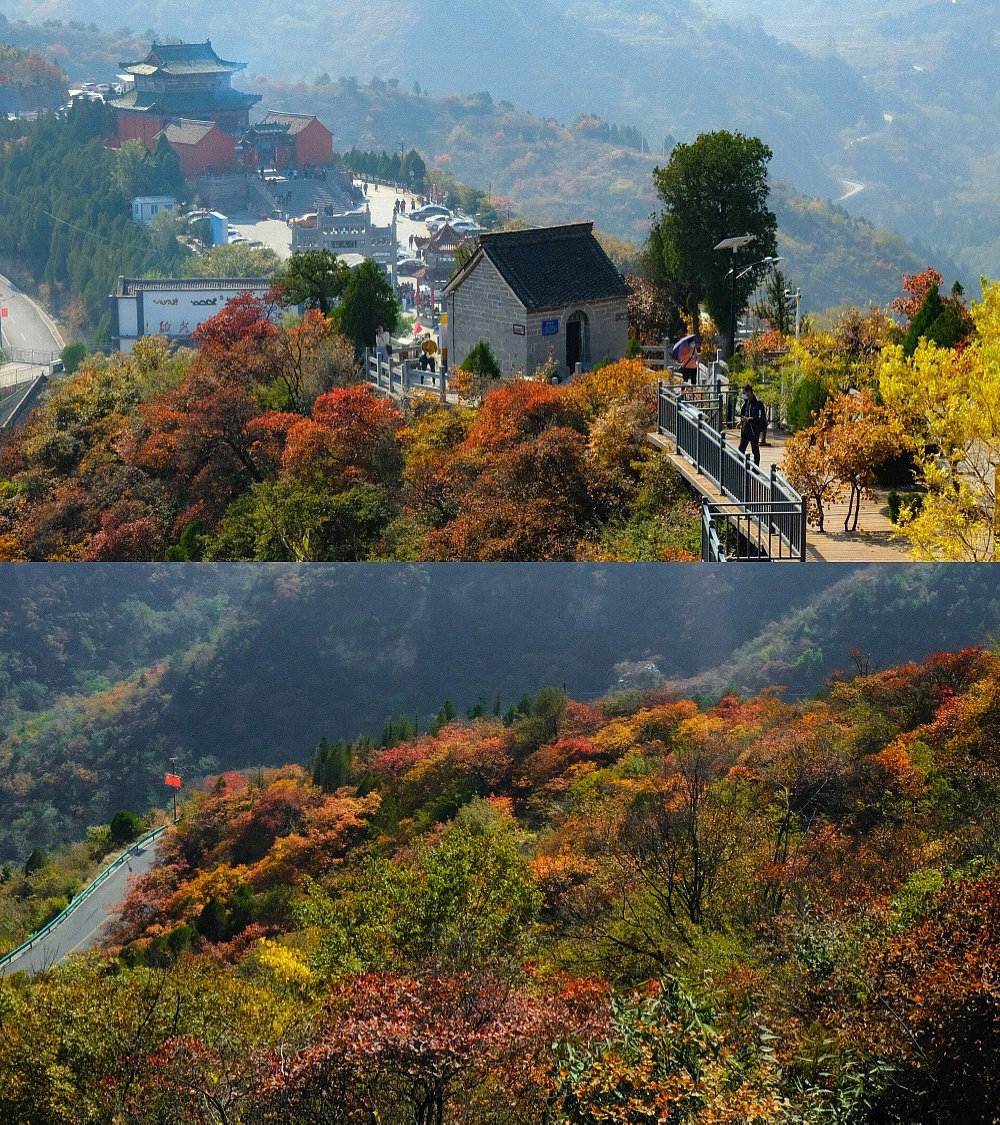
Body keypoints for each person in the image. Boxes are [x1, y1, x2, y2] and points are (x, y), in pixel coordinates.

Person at [738, 383, 765, 466]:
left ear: (749, 392)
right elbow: (743, 414)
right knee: (741, 448)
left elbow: (760, 417)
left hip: (754, 431)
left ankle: (756, 467)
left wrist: (749, 419)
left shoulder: (758, 404)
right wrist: (741, 422)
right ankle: (740, 466)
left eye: (745, 393)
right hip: (745, 430)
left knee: (755, 449)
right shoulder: (746, 403)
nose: (744, 395)